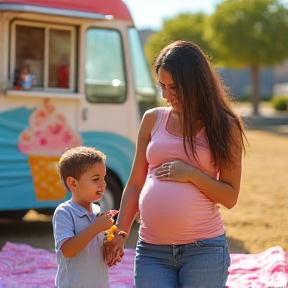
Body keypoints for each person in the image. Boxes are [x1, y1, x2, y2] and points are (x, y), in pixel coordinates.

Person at [103, 40, 247, 288]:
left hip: (204, 250)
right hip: (152, 251)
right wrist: (119, 233)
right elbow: (136, 184)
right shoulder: (152, 120)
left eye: (174, 87)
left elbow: (230, 197)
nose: (166, 95)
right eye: (162, 86)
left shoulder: (225, 126)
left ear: (196, 82)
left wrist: (193, 174)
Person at [52, 146, 116, 288]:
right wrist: (96, 227)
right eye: (95, 179)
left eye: (103, 177)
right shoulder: (64, 212)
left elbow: (96, 247)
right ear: (73, 183)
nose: (103, 183)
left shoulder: (97, 210)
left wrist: (111, 245)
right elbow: (68, 250)